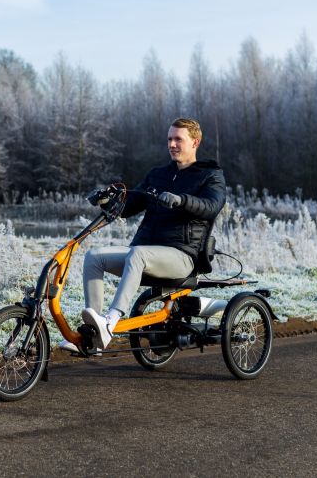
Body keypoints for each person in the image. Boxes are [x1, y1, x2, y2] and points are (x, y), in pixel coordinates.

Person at [60, 117, 226, 352]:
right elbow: (129, 207)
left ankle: (110, 321)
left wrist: (181, 200)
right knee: (94, 257)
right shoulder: (158, 175)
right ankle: (93, 336)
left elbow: (212, 206)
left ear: (195, 142)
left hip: (182, 256)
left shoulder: (210, 175)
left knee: (137, 254)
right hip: (145, 253)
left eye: (178, 139)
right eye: (169, 139)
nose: (172, 144)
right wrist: (108, 201)